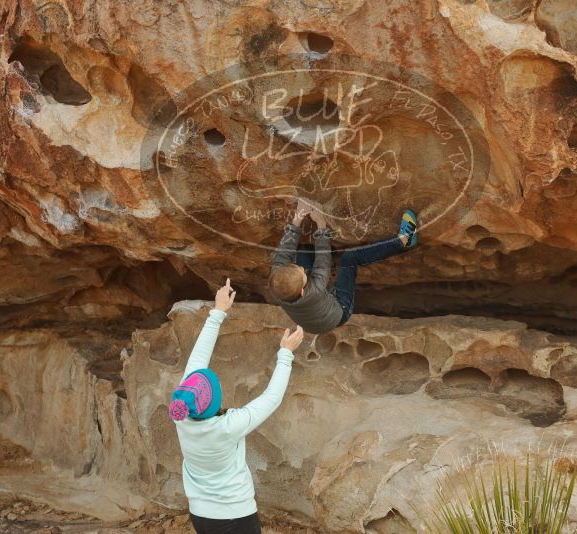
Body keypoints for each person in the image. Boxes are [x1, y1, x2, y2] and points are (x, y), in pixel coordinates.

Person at [168, 278, 304, 534]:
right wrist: (286, 353)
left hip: (201, 515)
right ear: (214, 401)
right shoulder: (227, 427)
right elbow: (271, 399)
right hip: (236, 517)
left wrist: (218, 311)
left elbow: (197, 361)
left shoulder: (182, 412)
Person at [268, 201, 418, 334]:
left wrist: (298, 217)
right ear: (302, 290)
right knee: (349, 258)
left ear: (279, 271)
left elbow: (285, 251)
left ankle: (324, 274)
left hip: (311, 320)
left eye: (295, 267)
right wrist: (321, 224)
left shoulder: (276, 284)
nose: (301, 268)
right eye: (302, 273)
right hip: (338, 312)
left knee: (302, 252)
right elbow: (322, 260)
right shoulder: (315, 290)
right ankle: (403, 241)